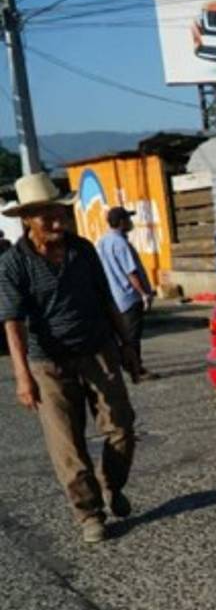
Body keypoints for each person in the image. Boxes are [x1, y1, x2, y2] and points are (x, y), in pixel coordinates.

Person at [0, 172, 141, 544]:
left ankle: (112, 486)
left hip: (98, 349)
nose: (57, 221)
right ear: (27, 219)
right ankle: (89, 513)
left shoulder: (83, 250)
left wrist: (127, 346)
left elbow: (106, 299)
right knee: (67, 444)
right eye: (46, 215)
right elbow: (12, 322)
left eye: (59, 212)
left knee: (122, 426)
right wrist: (22, 376)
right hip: (48, 361)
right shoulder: (14, 263)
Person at [97, 207, 156, 376]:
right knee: (132, 336)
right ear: (122, 222)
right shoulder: (120, 243)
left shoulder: (103, 241)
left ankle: (127, 365)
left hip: (114, 294)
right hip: (128, 294)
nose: (131, 223)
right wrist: (144, 293)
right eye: (128, 219)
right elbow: (131, 271)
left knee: (121, 334)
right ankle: (135, 368)